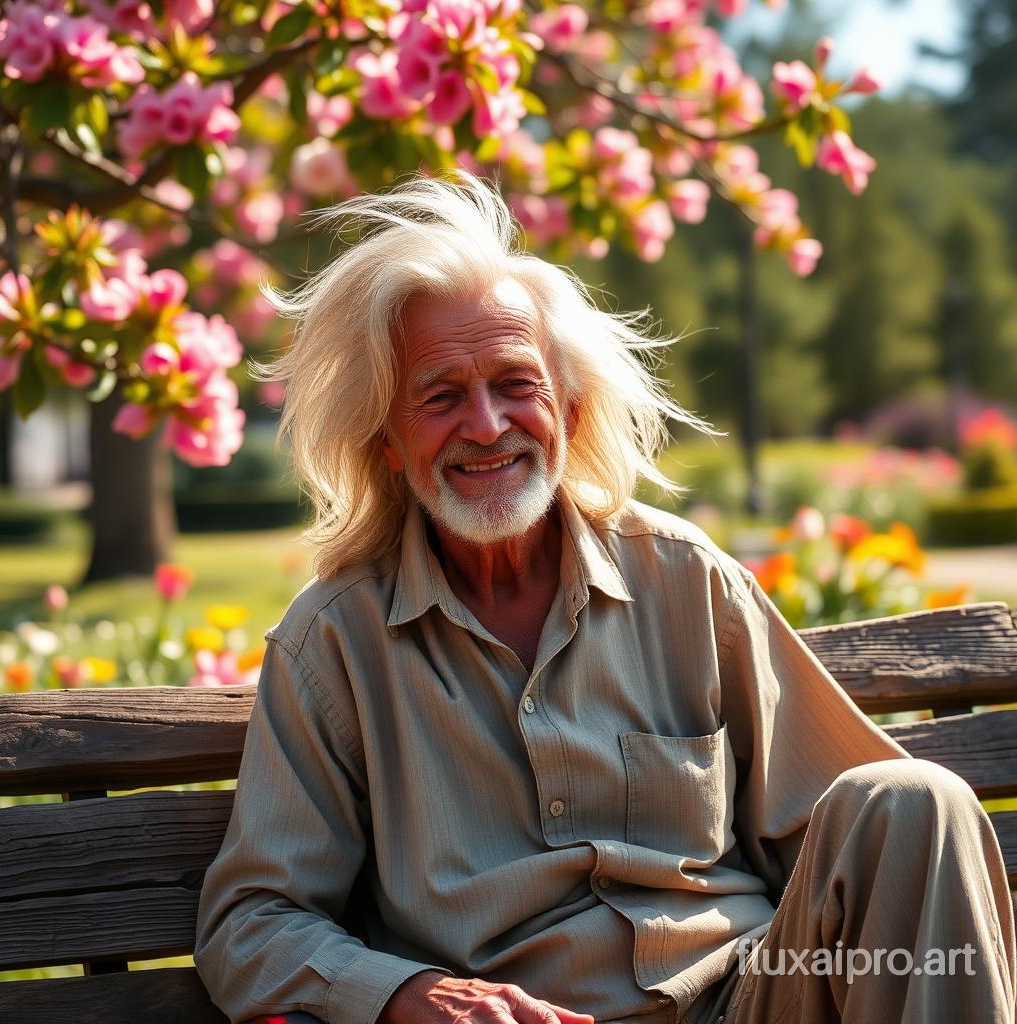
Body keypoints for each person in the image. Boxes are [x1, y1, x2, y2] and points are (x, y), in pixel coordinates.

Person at [194, 174, 1016, 1024]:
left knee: (918, 802)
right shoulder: (335, 645)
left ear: (570, 409)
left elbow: (849, 840)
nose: (486, 425)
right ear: (390, 444)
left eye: (516, 383)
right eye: (440, 397)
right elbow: (249, 925)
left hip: (749, 1001)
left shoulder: (686, 580)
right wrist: (411, 996)